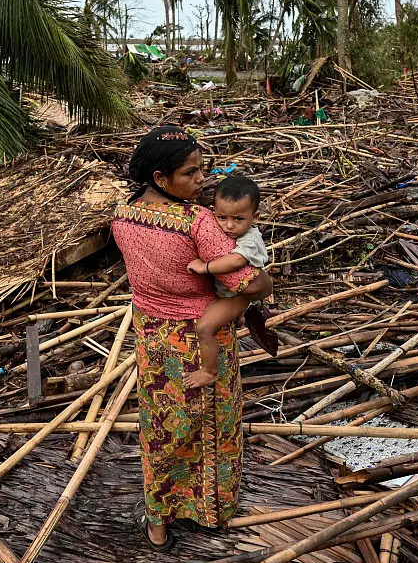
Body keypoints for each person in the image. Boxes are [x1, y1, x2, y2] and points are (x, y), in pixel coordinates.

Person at [111, 126, 272, 552]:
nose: (203, 180)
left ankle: (158, 517)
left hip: (151, 338)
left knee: (161, 428)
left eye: (204, 169)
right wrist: (264, 281)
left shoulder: (122, 217)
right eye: (191, 172)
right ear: (162, 179)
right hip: (202, 337)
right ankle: (210, 509)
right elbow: (249, 284)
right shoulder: (198, 223)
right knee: (213, 424)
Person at [185, 176, 268, 389]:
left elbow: (237, 260)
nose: (229, 226)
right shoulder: (221, 227)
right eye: (221, 217)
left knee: (204, 327)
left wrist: (206, 267)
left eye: (238, 219)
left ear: (254, 216)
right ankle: (238, 318)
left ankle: (210, 371)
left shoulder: (250, 239)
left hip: (237, 296)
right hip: (229, 293)